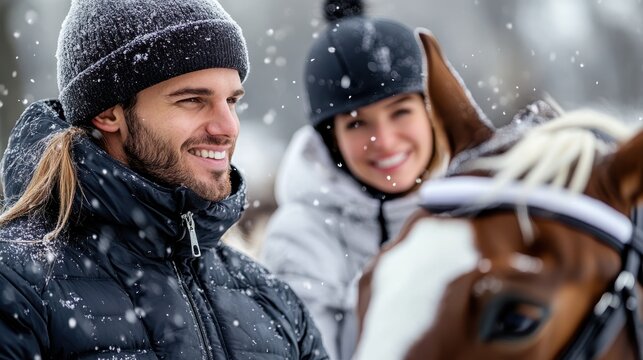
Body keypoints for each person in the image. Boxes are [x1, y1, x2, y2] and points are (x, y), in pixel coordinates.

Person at [0, 0, 329, 358]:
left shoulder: (271, 301)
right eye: (192, 100)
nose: (227, 127)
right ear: (108, 113)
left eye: (232, 101)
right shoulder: (17, 285)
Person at [260, 0, 494, 359]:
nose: (383, 140)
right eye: (356, 123)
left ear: (431, 113)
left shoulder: (480, 207)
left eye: (400, 112)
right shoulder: (302, 237)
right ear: (331, 141)